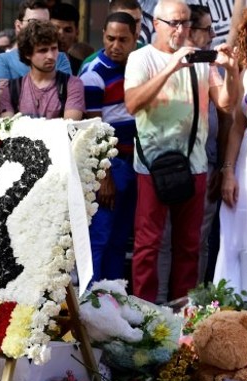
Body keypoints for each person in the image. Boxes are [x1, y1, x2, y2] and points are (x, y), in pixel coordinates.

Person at [125, 0, 238, 303]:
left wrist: (232, 71)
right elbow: (133, 104)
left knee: (189, 246)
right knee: (148, 246)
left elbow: (226, 105)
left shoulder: (200, 60)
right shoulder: (141, 58)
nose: (180, 29)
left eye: (185, 23)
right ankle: (143, 315)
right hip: (153, 165)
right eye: (173, 23)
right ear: (156, 24)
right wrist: (172, 65)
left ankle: (182, 318)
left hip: (195, 165)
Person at [80, 12, 140, 282]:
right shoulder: (94, 73)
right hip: (109, 166)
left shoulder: (139, 67)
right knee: (100, 238)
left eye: (123, 39)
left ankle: (115, 302)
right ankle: (91, 302)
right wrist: (103, 177)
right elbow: (93, 129)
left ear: (135, 37)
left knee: (119, 240)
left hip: (135, 163)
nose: (116, 45)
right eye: (110, 38)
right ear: (103, 34)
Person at [215, 2, 247, 298]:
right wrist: (228, 172)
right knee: (239, 236)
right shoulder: (243, 72)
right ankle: (240, 308)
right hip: (246, 163)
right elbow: (234, 124)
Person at [0, 20, 84, 120]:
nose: (51, 56)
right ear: (27, 53)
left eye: (54, 48)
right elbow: (7, 128)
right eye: (43, 50)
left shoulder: (72, 84)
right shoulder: (11, 89)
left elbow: (70, 128)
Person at [0, 0, 72, 84]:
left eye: (45, 23)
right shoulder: (3, 60)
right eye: (34, 23)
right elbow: (1, 95)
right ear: (18, 26)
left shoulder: (60, 58)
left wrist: (14, 87)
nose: (40, 28)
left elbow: (65, 91)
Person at [80, 0, 144, 73]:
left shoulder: (154, 57)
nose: (133, 27)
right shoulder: (90, 65)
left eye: (137, 21)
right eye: (125, 20)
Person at [50, 2, 82, 74]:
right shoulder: (34, 64)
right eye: (55, 29)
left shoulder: (81, 67)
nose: (61, 35)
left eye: (67, 30)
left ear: (77, 33)